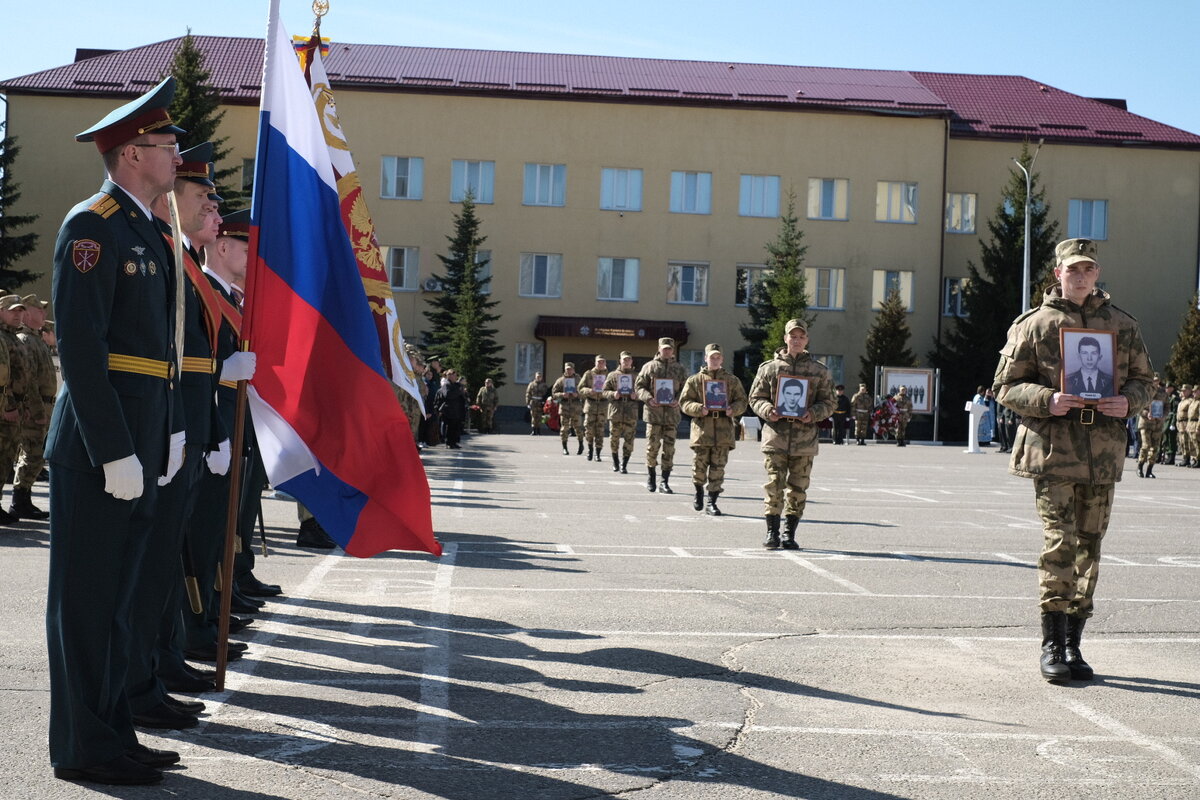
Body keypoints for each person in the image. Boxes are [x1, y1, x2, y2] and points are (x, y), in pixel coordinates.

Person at [45, 77, 187, 786]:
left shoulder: (147, 228)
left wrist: (168, 434)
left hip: (140, 441)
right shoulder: (94, 225)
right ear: (133, 153)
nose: (177, 156)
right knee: (87, 602)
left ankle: (112, 732)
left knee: (119, 605)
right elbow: (81, 348)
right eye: (167, 145)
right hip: (101, 452)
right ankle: (83, 745)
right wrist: (115, 450)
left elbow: (156, 353)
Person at [993, 237, 1153, 683]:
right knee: (1059, 542)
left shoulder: (1121, 325)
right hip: (1054, 453)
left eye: (1088, 269)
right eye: (1072, 269)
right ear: (1057, 274)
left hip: (1101, 454)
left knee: (1090, 546)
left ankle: (1074, 644)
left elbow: (1145, 379)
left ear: (1096, 273)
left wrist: (1130, 400)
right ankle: (1052, 643)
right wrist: (1048, 398)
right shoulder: (1036, 325)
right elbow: (1005, 386)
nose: (1081, 276)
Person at [749, 319, 834, 549]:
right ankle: (771, 532)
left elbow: (829, 402)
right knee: (774, 485)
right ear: (785, 338)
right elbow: (755, 398)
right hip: (776, 437)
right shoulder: (770, 368)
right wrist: (768, 410)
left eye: (801, 336)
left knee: (798, 488)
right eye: (792, 336)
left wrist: (813, 413)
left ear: (806, 340)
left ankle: (789, 533)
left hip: (804, 441)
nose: (796, 340)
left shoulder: (819, 371)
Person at [679, 343, 748, 515]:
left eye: (718, 357)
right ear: (705, 358)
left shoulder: (731, 381)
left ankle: (712, 501)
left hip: (723, 431)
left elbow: (742, 401)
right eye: (712, 357)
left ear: (722, 359)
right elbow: (684, 402)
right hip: (702, 430)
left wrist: (734, 409)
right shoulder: (695, 380)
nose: (715, 360)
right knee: (699, 467)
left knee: (718, 468)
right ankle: (699, 492)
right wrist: (698, 408)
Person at [10, 294, 57, 520]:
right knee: (32, 453)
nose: (45, 315)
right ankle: (19, 500)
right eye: (40, 310)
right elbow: (29, 381)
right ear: (27, 314)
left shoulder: (36, 340)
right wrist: (37, 411)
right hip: (35, 408)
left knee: (36, 455)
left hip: (44, 406)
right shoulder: (26, 340)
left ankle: (24, 498)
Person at [635, 337, 688, 493]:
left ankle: (664, 481)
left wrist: (678, 400)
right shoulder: (649, 367)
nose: (667, 351)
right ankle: (651, 477)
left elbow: (686, 389)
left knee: (669, 449)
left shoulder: (679, 369)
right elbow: (639, 387)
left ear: (673, 350)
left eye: (670, 349)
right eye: (664, 348)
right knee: (652, 448)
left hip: (671, 415)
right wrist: (648, 398)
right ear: (659, 349)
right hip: (653, 414)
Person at [0, 296, 32, 519]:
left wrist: (24, 405)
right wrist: (9, 405)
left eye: (20, 311)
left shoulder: (12, 338)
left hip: (14, 406)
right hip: (5, 406)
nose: (17, 314)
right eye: (12, 310)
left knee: (5, 458)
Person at [603, 351, 639, 473]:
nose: (627, 362)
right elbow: (604, 391)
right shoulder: (612, 375)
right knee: (614, 438)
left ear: (632, 361)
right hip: (616, 411)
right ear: (620, 361)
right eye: (624, 360)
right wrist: (613, 394)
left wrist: (637, 395)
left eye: (629, 359)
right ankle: (615, 462)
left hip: (631, 411)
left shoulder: (636, 376)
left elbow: (644, 391)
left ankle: (624, 464)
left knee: (629, 439)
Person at [578, 355, 609, 462]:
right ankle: (590, 450)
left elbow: (613, 389)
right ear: (595, 363)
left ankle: (598, 453)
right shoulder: (589, 374)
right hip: (591, 405)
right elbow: (580, 388)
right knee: (589, 429)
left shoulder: (609, 375)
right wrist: (589, 391)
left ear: (605, 363)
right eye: (599, 362)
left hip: (603, 405)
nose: (600, 364)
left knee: (600, 430)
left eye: (602, 362)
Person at [1136, 375, 1167, 478]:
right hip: (1146, 423)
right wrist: (1147, 414)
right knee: (1145, 446)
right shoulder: (1144, 391)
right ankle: (1140, 467)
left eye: (1157, 380)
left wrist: (1163, 416)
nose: (1155, 382)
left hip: (1158, 424)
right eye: (1154, 380)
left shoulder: (1163, 393)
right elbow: (1138, 406)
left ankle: (1149, 470)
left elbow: (1167, 407)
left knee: (1155, 448)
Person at [551, 362, 585, 455]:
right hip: (564, 407)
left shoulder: (579, 380)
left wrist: (577, 394)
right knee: (564, 429)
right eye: (567, 369)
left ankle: (581, 445)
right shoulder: (560, 380)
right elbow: (553, 393)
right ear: (564, 370)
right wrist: (562, 394)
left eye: (570, 369)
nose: (568, 371)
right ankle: (565, 448)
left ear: (573, 370)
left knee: (578, 428)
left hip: (576, 407)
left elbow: (584, 392)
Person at [434, 368, 468, 448]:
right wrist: (459, 391)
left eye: (455, 375)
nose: (455, 377)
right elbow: (448, 395)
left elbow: (462, 395)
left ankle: (454, 442)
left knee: (456, 427)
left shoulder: (457, 385)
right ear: (449, 376)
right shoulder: (447, 385)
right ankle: (449, 443)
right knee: (449, 427)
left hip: (457, 410)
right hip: (449, 411)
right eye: (453, 375)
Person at [525, 371, 548, 435]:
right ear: (535, 377)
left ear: (541, 378)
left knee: (539, 417)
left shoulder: (544, 385)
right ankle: (534, 430)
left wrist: (545, 402)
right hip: (533, 402)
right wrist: (528, 403)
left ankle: (539, 430)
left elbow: (546, 394)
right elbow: (528, 394)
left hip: (540, 402)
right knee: (533, 416)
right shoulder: (531, 384)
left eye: (540, 377)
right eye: (537, 376)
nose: (538, 378)